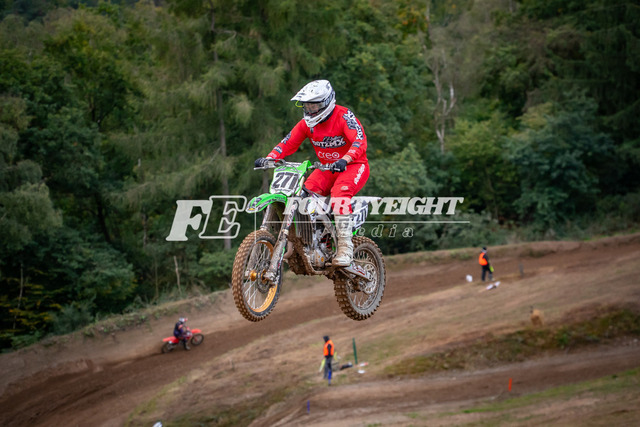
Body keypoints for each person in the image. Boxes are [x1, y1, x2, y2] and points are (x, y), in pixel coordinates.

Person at [254, 80, 369, 266]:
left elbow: (359, 141)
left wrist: (345, 159)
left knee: (339, 194)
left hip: (353, 165)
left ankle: (345, 248)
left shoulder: (344, 116)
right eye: (306, 105)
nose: (310, 109)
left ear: (327, 102)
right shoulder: (307, 124)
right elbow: (288, 143)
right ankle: (313, 241)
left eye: (314, 105)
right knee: (302, 196)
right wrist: (270, 158)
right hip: (325, 168)